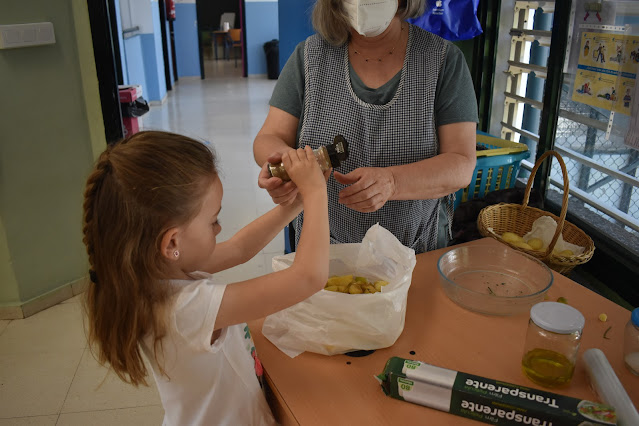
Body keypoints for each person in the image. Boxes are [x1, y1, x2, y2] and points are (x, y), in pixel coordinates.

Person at [82, 131, 329, 425]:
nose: (219, 229)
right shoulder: (183, 309)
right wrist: (315, 194)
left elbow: (239, 248)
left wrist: (298, 202)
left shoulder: (152, 272)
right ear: (172, 243)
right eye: (213, 220)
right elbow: (308, 278)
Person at [253, 0, 478, 254]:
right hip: (322, 248)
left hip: (415, 248)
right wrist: (289, 167)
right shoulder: (308, 57)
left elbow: (461, 164)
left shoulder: (443, 61)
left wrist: (393, 182)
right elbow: (269, 137)